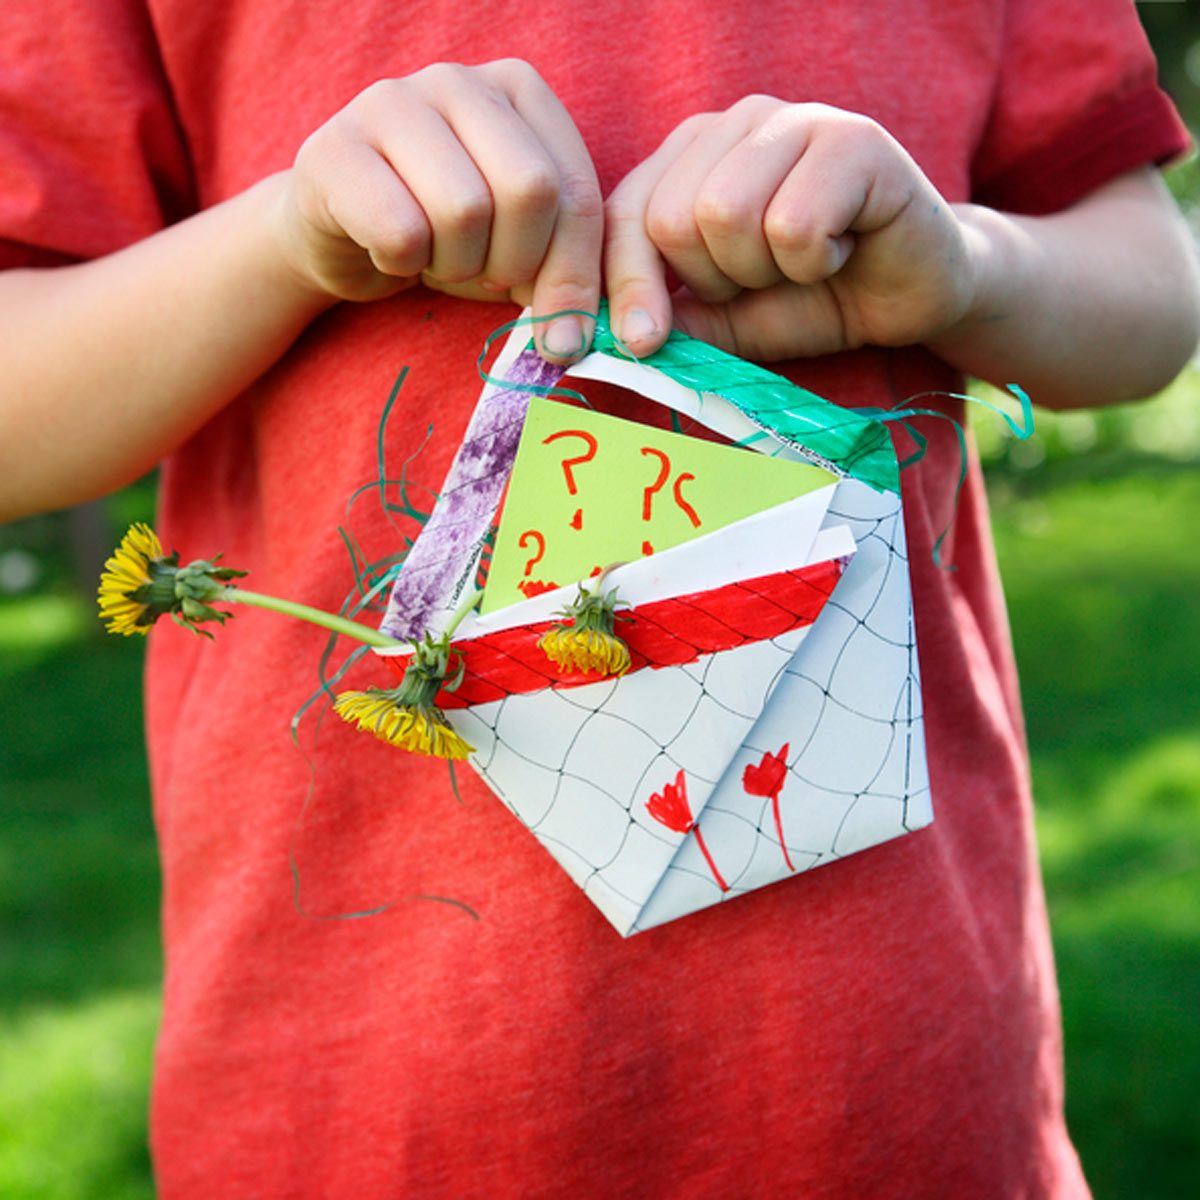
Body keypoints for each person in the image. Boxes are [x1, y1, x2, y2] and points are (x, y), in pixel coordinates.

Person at [2, 1, 1195, 1195]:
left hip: (906, 1077)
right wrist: (287, 235)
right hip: (354, 1098)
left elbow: (1149, 294)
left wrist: (968, 268)